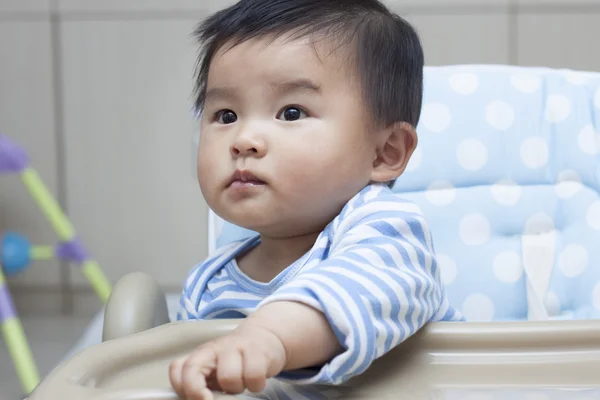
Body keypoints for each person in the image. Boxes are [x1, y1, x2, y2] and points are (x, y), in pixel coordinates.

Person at [169, 1, 464, 398]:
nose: (243, 140)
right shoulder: (207, 287)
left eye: (291, 112)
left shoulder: (387, 231)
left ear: (385, 152)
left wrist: (269, 336)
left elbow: (358, 289)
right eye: (225, 115)